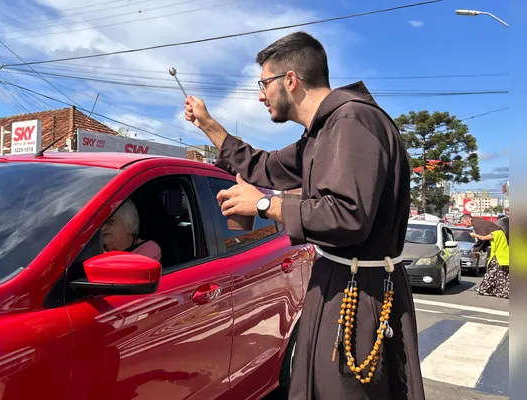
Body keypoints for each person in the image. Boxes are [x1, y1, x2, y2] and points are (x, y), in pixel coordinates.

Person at [184, 31, 424, 399]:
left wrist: (265, 205)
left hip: (360, 291)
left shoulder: (352, 122)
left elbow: (347, 216)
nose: (260, 94)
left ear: (291, 81)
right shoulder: (322, 132)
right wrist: (208, 124)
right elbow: (264, 167)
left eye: (264, 83)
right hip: (337, 279)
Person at [471, 216, 509, 298]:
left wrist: (474, 234)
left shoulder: (496, 233)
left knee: (491, 274)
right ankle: (502, 292)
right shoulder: (503, 234)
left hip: (498, 257)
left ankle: (483, 289)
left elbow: (483, 238)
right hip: (505, 258)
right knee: (502, 276)